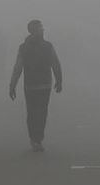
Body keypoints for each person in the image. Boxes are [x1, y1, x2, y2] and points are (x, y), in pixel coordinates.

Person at [9, 19, 63, 152]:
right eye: (40, 28)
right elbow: (55, 63)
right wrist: (59, 80)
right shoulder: (47, 46)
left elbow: (18, 67)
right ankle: (37, 139)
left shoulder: (24, 47)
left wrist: (13, 85)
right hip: (41, 85)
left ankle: (35, 138)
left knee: (33, 112)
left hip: (34, 85)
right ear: (33, 31)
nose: (43, 29)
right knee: (40, 113)